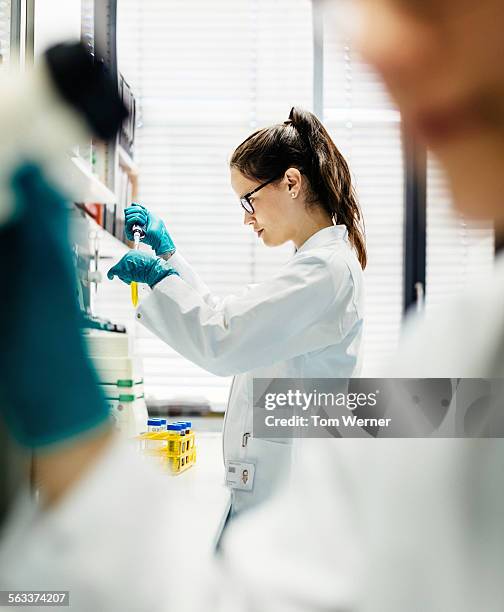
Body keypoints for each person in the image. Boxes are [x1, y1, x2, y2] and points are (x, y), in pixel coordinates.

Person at [107, 106, 367, 518]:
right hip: (275, 496)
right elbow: (230, 319)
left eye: (249, 200)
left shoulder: (325, 273)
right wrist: (170, 259)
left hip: (290, 504)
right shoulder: (313, 267)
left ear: (292, 183)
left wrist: (159, 278)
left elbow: (223, 340)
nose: (247, 218)